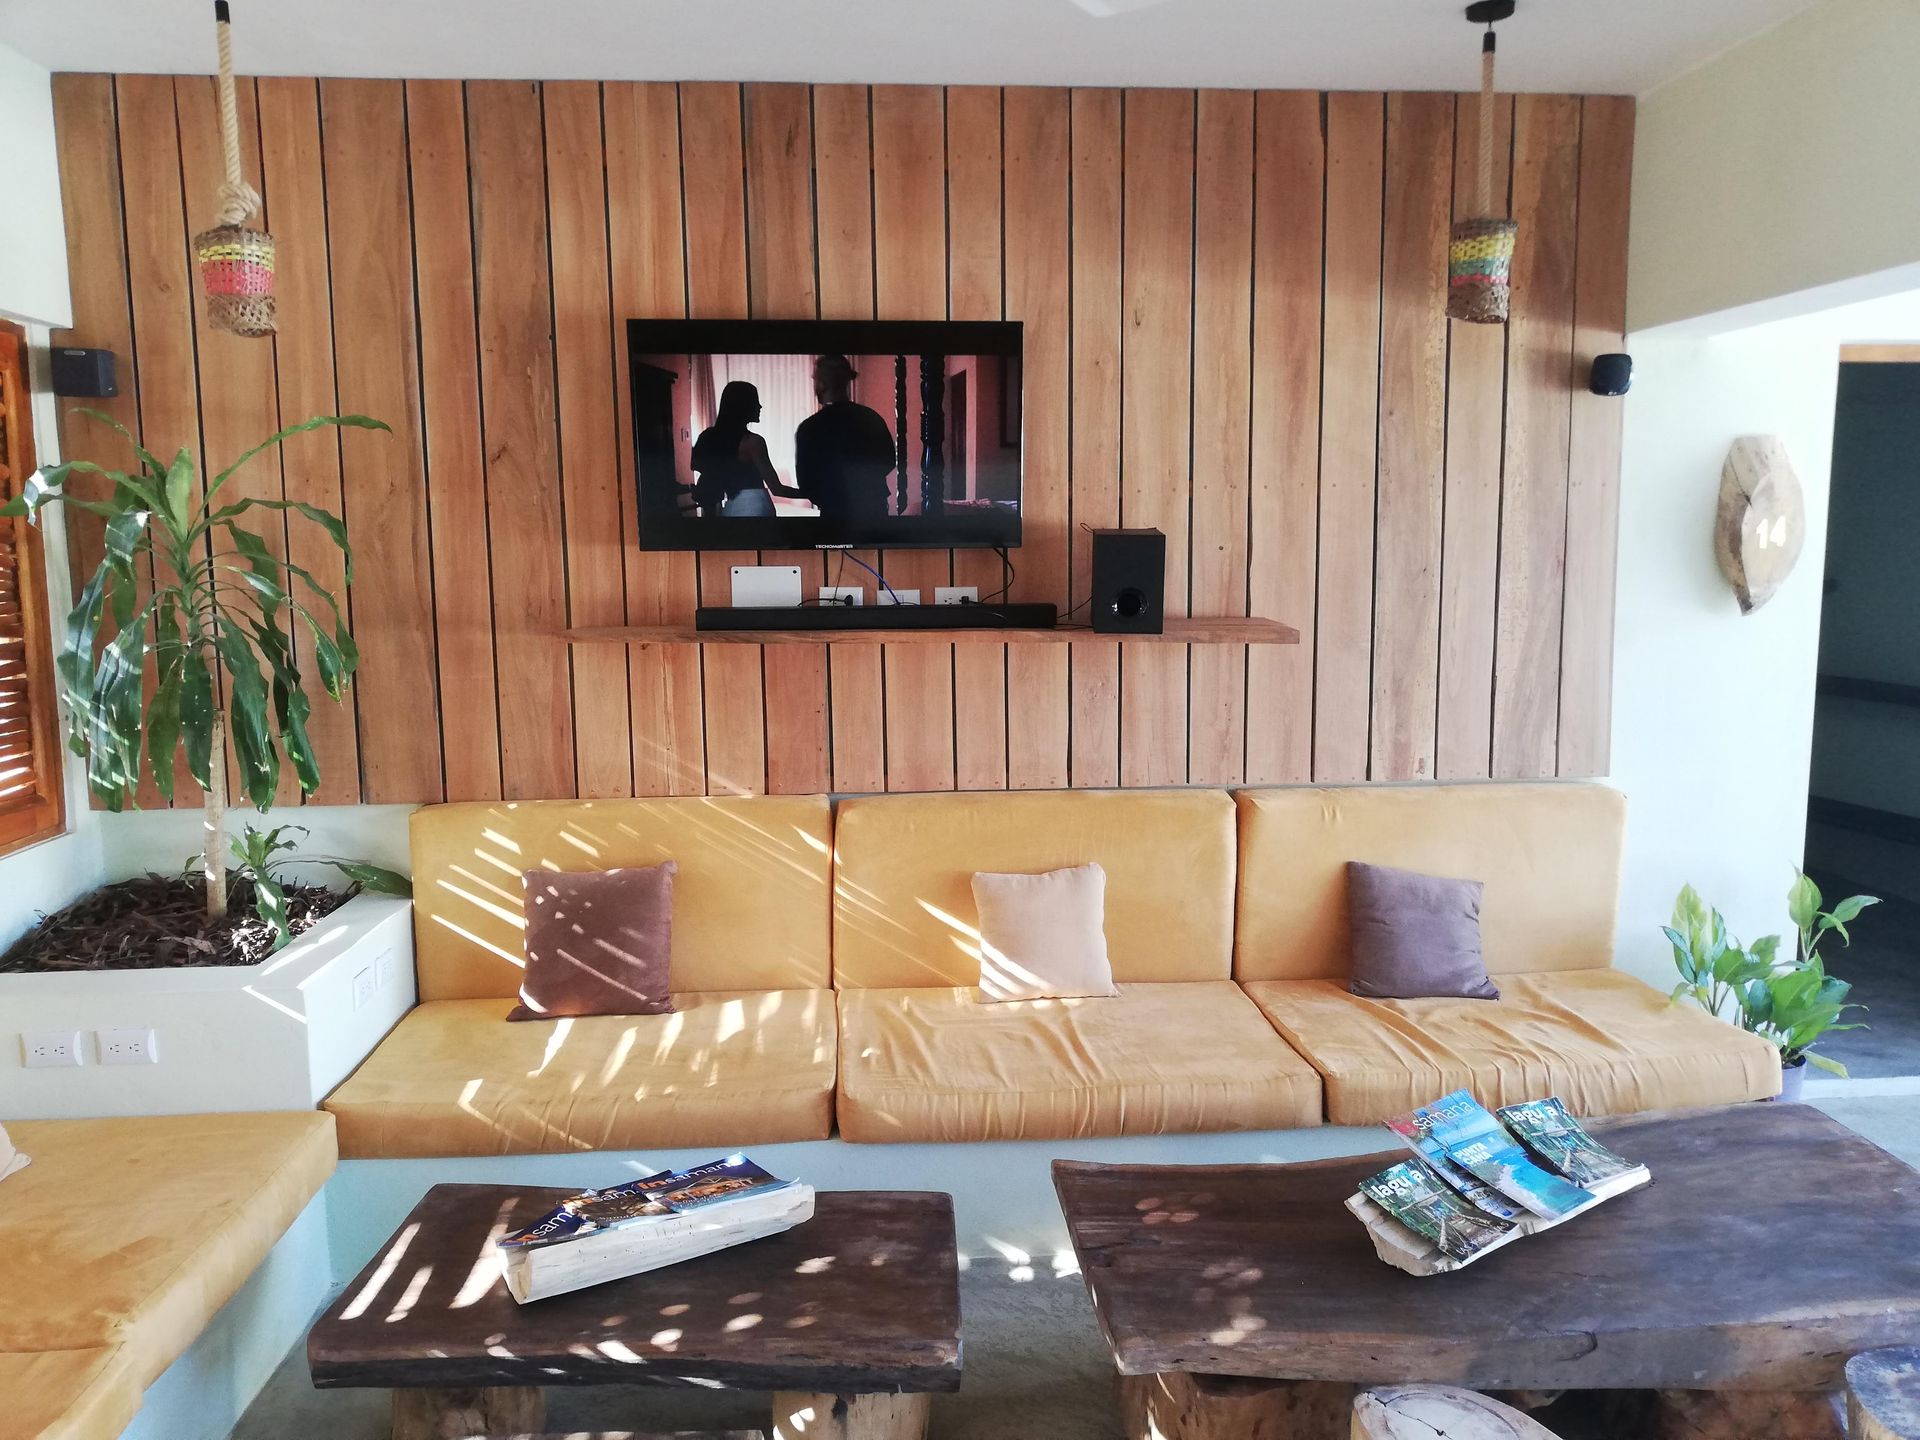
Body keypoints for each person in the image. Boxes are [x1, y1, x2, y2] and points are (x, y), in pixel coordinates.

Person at [794, 355, 898, 520]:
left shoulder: (810, 428)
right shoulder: (871, 418)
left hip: (834, 510)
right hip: (873, 507)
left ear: (821, 384)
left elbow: (807, 482)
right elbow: (888, 461)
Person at [690, 380, 801, 518]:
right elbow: (777, 489)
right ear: (742, 406)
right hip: (755, 505)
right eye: (755, 401)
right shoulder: (753, 442)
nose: (760, 406)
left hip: (731, 506)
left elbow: (699, 467)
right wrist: (811, 493)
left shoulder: (708, 437)